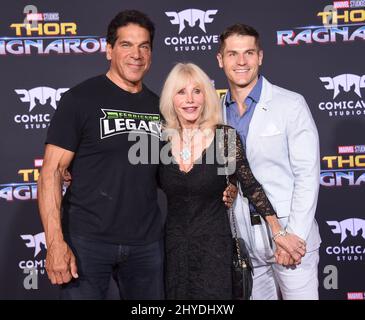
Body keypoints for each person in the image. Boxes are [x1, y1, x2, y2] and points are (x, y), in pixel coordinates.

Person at [37, 10, 235, 300]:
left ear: (151, 54)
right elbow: (51, 173)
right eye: (126, 45)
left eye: (144, 46)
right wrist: (55, 243)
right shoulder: (80, 99)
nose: (136, 54)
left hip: (146, 244)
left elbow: (179, 168)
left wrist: (224, 185)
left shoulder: (162, 109)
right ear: (109, 50)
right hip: (87, 241)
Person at [158, 62, 306, 299]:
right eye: (181, 92)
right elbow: (137, 183)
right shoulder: (160, 142)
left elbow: (251, 185)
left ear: (206, 97)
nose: (190, 99)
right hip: (174, 249)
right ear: (171, 99)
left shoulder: (224, 138)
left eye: (197, 91)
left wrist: (278, 231)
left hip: (215, 248)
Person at [217, 23, 321, 300]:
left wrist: (294, 237)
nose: (241, 61)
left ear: (260, 57)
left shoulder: (290, 104)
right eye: (232, 54)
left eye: (249, 53)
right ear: (220, 60)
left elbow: (307, 175)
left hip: (290, 238)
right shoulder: (215, 113)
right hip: (245, 243)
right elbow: (230, 171)